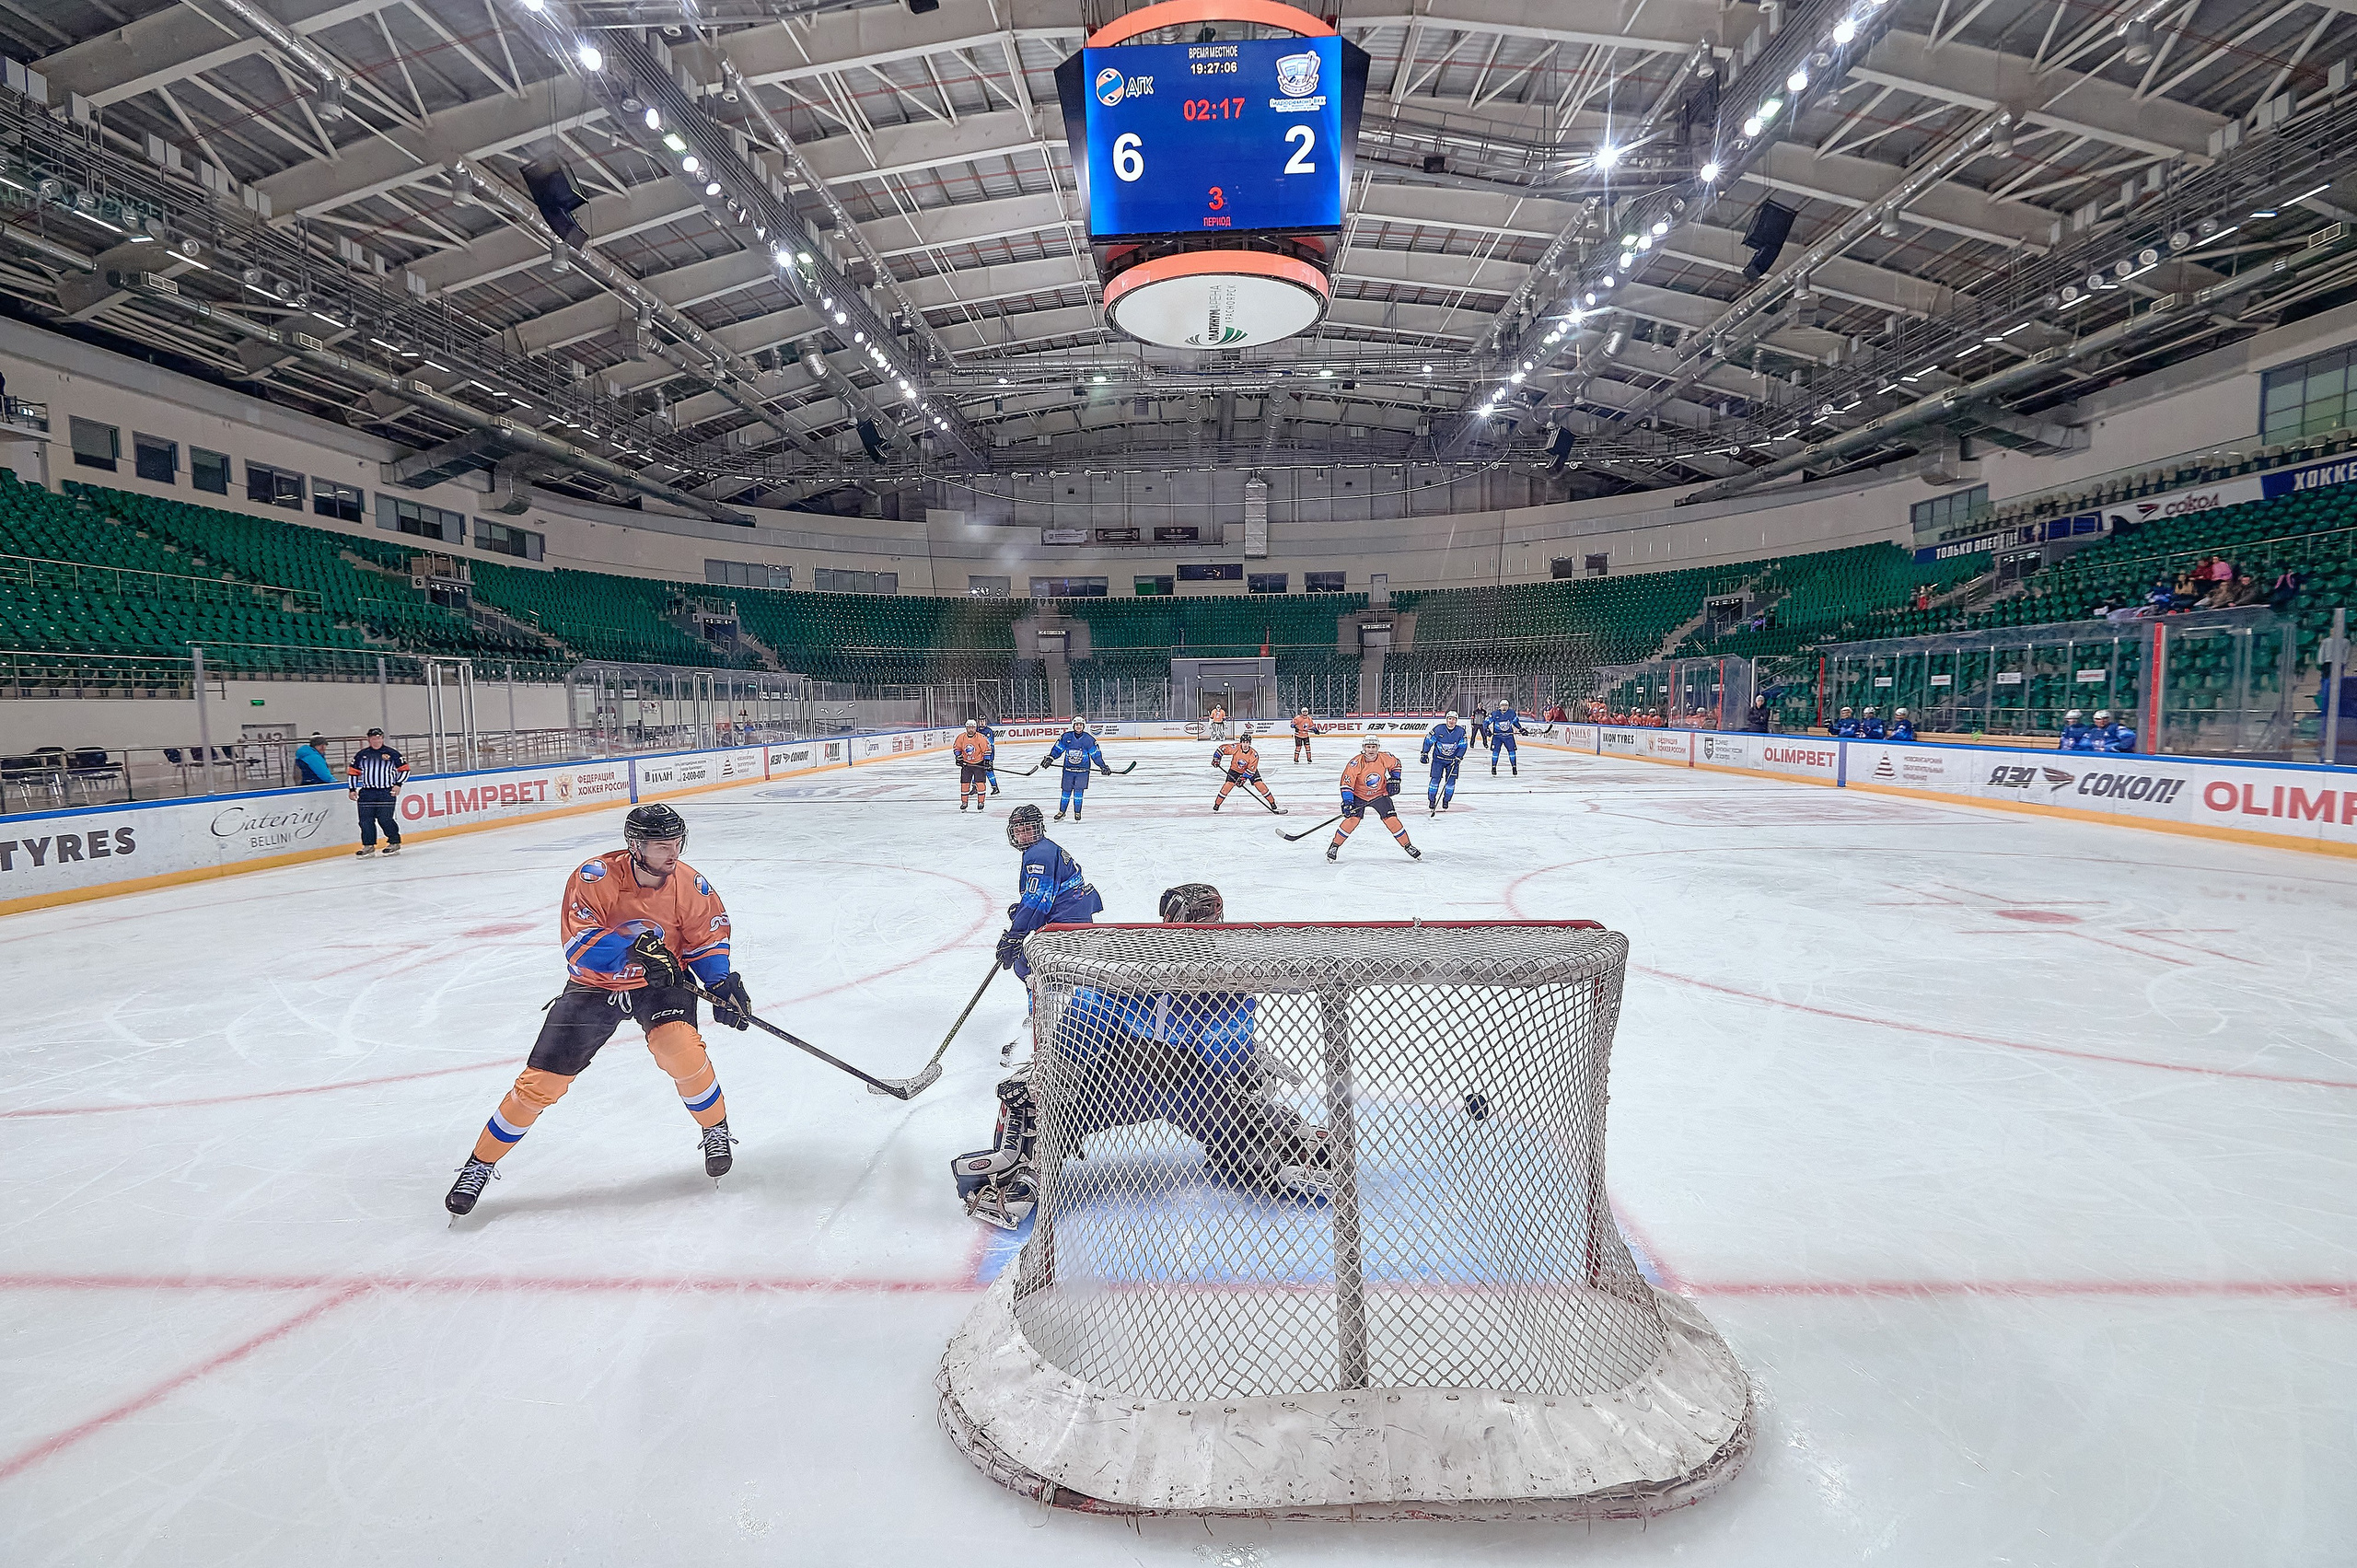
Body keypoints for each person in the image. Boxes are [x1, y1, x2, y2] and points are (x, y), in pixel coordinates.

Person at [951, 881, 1333, 1229]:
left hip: (1191, 1087)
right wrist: (1049, 1071)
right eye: (1196, 920)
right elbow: (1085, 1017)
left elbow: (1231, 1042)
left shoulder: (1225, 977)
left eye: (1208, 920)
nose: (1202, 929)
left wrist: (1237, 1064)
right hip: (1122, 1080)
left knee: (1239, 1125)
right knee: (1039, 1101)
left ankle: (1266, 1142)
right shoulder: (1135, 962)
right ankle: (1022, 1168)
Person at [443, 805, 753, 1215]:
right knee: (541, 1084)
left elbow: (706, 939)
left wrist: (720, 981)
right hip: (595, 986)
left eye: (676, 842)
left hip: (660, 987)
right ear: (635, 847)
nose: (672, 853)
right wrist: (633, 949)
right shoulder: (596, 878)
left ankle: (715, 1128)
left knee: (680, 1049)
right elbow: (579, 947)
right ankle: (479, 1164)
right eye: (661, 846)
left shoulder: (690, 885)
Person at [993, 802, 1104, 987]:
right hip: (1071, 910)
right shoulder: (1042, 848)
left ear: (1039, 828)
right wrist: (1022, 914)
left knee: (1031, 966)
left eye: (1028, 829)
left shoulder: (1040, 855)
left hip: (1067, 919)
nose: (1022, 835)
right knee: (1036, 965)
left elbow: (1037, 900)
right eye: (1018, 830)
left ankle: (1045, 1010)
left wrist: (1016, 933)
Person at [1329, 737, 1421, 862]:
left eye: (1373, 747)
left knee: (1391, 820)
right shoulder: (1355, 763)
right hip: (1359, 795)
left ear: (1378, 747)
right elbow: (1347, 784)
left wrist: (1395, 779)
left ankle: (1408, 846)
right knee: (1352, 820)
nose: (1371, 750)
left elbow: (1396, 765)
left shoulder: (1385, 757)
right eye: (1368, 747)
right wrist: (1348, 803)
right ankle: (1334, 846)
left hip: (1380, 794)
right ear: (1363, 748)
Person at [347, 727, 409, 857]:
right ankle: (368, 845)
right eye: (374, 738)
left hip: (386, 792)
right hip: (367, 792)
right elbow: (353, 772)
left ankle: (394, 842)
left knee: (385, 818)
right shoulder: (362, 755)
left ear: (382, 738)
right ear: (369, 739)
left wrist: (398, 785)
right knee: (365, 820)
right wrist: (352, 789)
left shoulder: (392, 753)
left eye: (379, 738)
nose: (377, 740)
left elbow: (405, 770)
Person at [1042, 717, 1113, 820]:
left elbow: (1096, 755)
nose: (1078, 726)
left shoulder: (1089, 739)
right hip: (1068, 771)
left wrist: (1103, 766)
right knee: (1065, 792)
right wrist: (1050, 758)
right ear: (1073, 726)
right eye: (1076, 724)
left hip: (1082, 772)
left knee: (1078, 793)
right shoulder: (1066, 737)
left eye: (1080, 724)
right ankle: (1062, 811)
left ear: (1083, 726)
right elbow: (1057, 749)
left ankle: (1077, 812)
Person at [1211, 726, 1280, 813]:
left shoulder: (1253, 755)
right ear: (1241, 743)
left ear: (1249, 743)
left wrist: (1243, 778)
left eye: (1247, 742)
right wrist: (1216, 758)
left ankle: (1272, 803)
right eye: (1243, 742)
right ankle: (1217, 804)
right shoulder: (1236, 747)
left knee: (1260, 785)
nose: (1245, 744)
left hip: (1249, 771)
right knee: (1227, 786)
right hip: (1234, 770)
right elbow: (1222, 749)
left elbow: (1251, 770)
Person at [1419, 710, 1471, 813]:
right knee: (1434, 781)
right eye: (1450, 719)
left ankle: (1446, 800)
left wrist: (1459, 757)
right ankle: (1432, 800)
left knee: (1450, 783)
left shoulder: (1461, 731)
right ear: (1446, 719)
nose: (1452, 721)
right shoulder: (1438, 729)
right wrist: (1424, 753)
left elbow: (1463, 746)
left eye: (1454, 719)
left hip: (1453, 762)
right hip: (1438, 760)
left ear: (1457, 721)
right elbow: (1428, 740)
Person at [1478, 700, 1528, 776]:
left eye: (1506, 705)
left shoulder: (1511, 713)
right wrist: (1486, 730)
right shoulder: (1495, 714)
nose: (1504, 707)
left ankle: (1514, 767)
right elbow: (1485, 722)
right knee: (1495, 752)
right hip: (1497, 737)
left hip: (1508, 736)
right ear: (1500, 706)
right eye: (1502, 705)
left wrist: (1521, 729)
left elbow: (1515, 722)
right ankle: (1494, 767)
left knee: (1512, 752)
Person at [953, 720, 992, 812]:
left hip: (979, 763)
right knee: (964, 784)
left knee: (980, 784)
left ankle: (981, 802)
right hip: (967, 764)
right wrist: (958, 757)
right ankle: (964, 803)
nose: (971, 729)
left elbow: (986, 749)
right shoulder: (961, 737)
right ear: (966, 728)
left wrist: (987, 761)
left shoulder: (981, 738)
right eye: (969, 727)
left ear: (975, 728)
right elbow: (957, 748)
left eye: (972, 727)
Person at [977, 717, 1002, 795]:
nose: (982, 722)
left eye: (983, 721)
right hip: (977, 755)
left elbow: (990, 745)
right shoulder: (976, 730)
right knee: (976, 771)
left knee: (989, 772)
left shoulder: (989, 731)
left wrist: (990, 759)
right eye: (980, 721)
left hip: (987, 755)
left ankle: (995, 788)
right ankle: (974, 787)